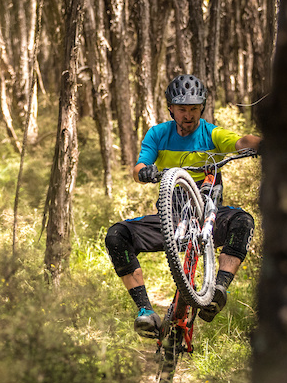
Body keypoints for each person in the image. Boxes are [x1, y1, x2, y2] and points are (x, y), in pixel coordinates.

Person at [105, 74, 262, 338]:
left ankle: (218, 290)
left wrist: (267, 144)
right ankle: (145, 311)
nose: (188, 115)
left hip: (207, 216)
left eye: (193, 109)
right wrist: (143, 172)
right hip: (171, 217)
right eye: (182, 109)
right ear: (171, 109)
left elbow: (240, 142)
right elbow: (139, 166)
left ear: (201, 108)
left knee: (243, 221)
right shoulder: (158, 134)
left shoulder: (211, 133)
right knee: (116, 235)